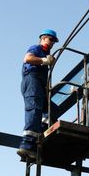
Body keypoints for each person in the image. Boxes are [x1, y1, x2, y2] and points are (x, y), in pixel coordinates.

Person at [17, 29, 59, 159]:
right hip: (32, 80)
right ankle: (26, 146)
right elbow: (27, 58)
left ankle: (39, 134)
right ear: (43, 38)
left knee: (53, 109)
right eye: (51, 40)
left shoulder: (46, 54)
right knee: (34, 110)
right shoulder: (36, 48)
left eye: (54, 41)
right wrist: (44, 61)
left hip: (40, 85)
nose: (52, 43)